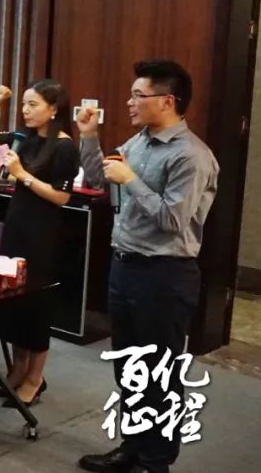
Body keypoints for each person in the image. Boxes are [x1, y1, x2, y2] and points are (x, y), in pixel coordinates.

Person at [76, 61, 218, 473]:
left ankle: (156, 463)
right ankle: (133, 448)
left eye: (139, 95)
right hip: (125, 267)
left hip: (165, 275)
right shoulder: (139, 142)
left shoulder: (191, 155)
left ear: (167, 101)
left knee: (160, 374)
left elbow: (174, 219)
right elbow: (99, 181)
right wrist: (89, 137)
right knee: (129, 368)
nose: (130, 102)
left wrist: (131, 180)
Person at [0, 81, 78, 408]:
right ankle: (17, 370)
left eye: (33, 104)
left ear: (53, 109)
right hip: (16, 228)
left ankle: (35, 378)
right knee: (14, 305)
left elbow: (61, 197)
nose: (25, 110)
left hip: (42, 236)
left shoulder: (64, 147)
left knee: (35, 308)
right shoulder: (24, 137)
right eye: (23, 104)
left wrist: (22, 175)